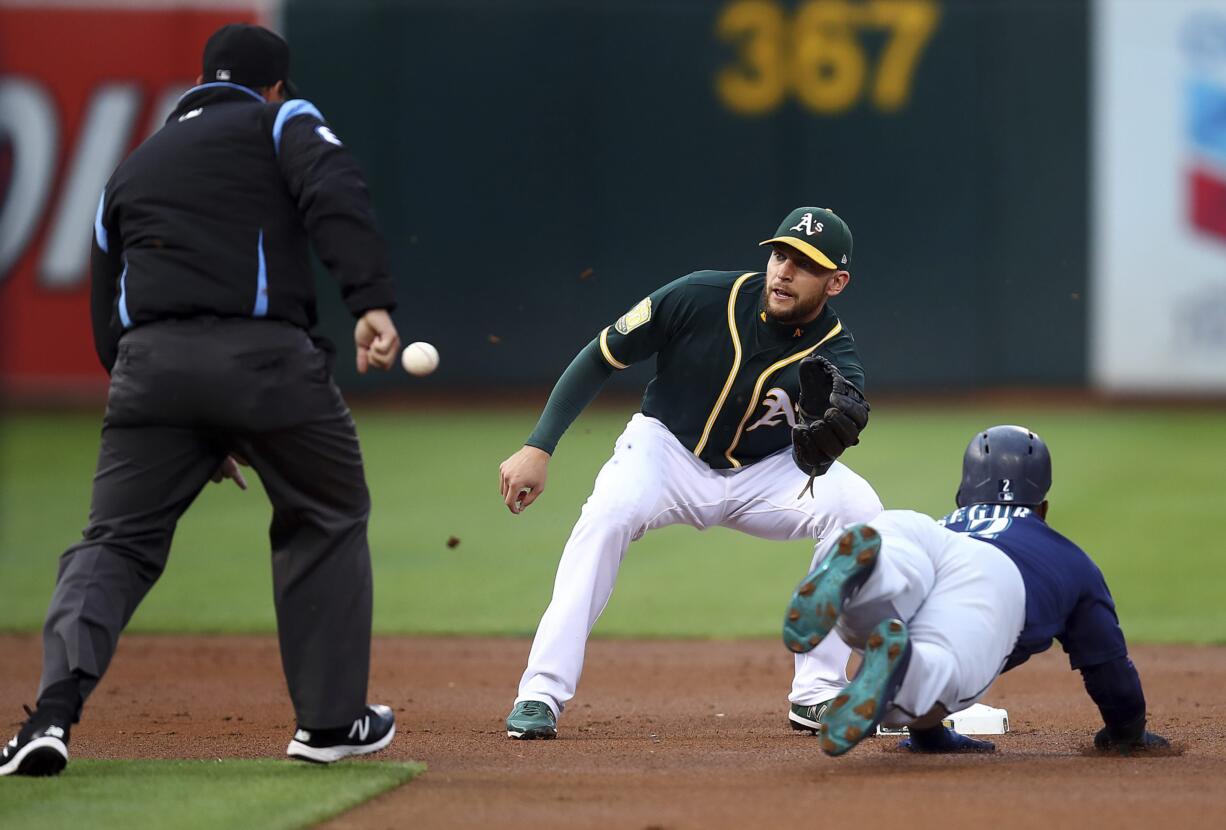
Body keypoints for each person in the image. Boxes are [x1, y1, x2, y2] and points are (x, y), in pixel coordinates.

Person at [1, 23, 402, 777]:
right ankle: (328, 722)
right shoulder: (282, 119)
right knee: (325, 512)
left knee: (113, 541)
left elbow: (104, 308)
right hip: (265, 359)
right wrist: (370, 300)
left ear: (202, 80)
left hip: (146, 371)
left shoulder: (134, 164)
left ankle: (49, 717)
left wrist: (174, 412)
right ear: (276, 85)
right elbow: (334, 192)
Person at [499, 207, 884, 739]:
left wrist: (822, 447)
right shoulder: (701, 296)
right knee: (606, 516)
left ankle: (817, 691)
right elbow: (601, 355)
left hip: (764, 472)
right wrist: (538, 446)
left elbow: (834, 435)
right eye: (780, 255)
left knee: (861, 512)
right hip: (664, 453)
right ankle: (540, 692)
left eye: (805, 265)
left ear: (836, 282)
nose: (784, 272)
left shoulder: (837, 354)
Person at [782, 425, 1170, 757]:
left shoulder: (948, 521)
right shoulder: (1070, 560)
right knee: (937, 667)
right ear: (1043, 507)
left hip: (923, 535)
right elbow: (1109, 669)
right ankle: (909, 672)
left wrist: (930, 738)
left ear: (962, 495)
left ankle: (863, 575)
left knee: (891, 564)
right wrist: (1127, 731)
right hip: (996, 579)